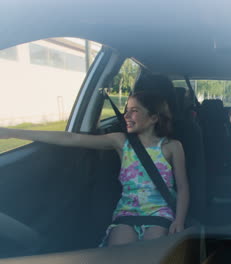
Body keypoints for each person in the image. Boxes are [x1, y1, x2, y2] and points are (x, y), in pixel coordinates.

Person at [0, 92, 189, 246]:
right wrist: (12, 133)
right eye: (126, 110)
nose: (126, 115)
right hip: (128, 213)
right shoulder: (120, 141)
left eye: (134, 111)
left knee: (150, 255)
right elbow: (71, 138)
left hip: (160, 213)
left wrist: (178, 220)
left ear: (153, 118)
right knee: (117, 255)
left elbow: (182, 188)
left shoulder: (172, 147)